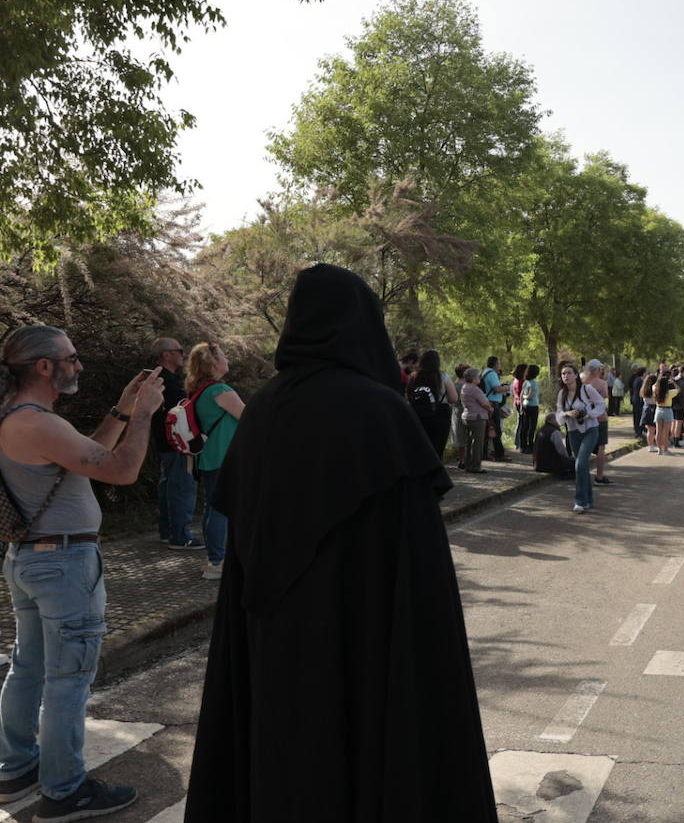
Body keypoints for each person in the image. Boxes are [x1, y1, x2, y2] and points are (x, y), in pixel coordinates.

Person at [183, 264, 497, 821]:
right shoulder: (379, 415)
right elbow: (417, 571)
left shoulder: (264, 412)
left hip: (273, 639)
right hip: (365, 643)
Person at [0, 324, 165, 818]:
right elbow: (120, 469)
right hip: (64, 564)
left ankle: (14, 768)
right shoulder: (38, 423)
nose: (79, 365)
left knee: (28, 668)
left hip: (29, 558)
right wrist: (145, 416)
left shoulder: (20, 418)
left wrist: (121, 407)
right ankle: (65, 790)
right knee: (68, 679)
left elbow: (83, 456)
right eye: (71, 358)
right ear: (44, 367)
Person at [185, 343, 245, 582]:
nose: (227, 359)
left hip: (209, 456)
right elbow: (249, 417)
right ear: (213, 363)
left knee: (213, 508)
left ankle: (215, 559)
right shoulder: (220, 389)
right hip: (226, 455)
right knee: (222, 509)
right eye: (223, 356)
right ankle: (218, 562)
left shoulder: (199, 390)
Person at [149, 336, 203, 550]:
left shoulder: (157, 379)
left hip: (166, 443)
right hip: (177, 443)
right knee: (182, 487)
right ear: (166, 355)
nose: (183, 354)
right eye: (179, 350)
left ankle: (167, 531)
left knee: (168, 486)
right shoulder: (165, 381)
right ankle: (180, 536)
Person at [555, 361, 605, 513]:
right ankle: (588, 500)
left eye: (569, 373)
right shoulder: (562, 394)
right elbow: (558, 416)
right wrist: (567, 413)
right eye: (563, 374)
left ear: (576, 375)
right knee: (582, 467)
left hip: (590, 429)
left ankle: (579, 501)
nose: (566, 376)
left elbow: (601, 404)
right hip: (573, 432)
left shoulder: (586, 389)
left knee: (580, 464)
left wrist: (590, 414)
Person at [407, 349, 457, 458]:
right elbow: (454, 398)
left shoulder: (413, 376)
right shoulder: (443, 376)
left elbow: (409, 395)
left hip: (418, 414)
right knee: (437, 448)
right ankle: (435, 472)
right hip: (440, 415)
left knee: (420, 448)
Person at [584, 359, 612, 484]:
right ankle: (599, 475)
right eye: (600, 369)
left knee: (584, 447)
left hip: (585, 417)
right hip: (600, 417)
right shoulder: (601, 383)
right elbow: (605, 396)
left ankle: (582, 474)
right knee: (601, 447)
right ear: (597, 370)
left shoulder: (582, 381)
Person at [460, 367, 492, 474]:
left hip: (467, 416)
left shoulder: (464, 387)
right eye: (478, 376)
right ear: (474, 379)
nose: (479, 378)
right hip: (477, 417)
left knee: (469, 442)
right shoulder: (474, 389)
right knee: (478, 442)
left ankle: (468, 464)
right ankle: (475, 466)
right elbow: (485, 403)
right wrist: (490, 408)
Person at [479, 357, 511, 462]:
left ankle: (485, 453)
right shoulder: (492, 373)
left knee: (488, 429)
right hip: (492, 404)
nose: (500, 365)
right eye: (499, 363)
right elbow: (496, 389)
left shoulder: (484, 372)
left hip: (487, 403)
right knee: (495, 429)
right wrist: (506, 388)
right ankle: (499, 454)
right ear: (495, 364)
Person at [533, 413, 575, 478]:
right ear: (551, 420)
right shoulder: (555, 432)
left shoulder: (540, 429)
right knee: (574, 461)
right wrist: (568, 458)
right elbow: (561, 451)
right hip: (550, 465)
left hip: (538, 465)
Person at [651, 368, 678, 456]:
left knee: (658, 431)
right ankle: (665, 449)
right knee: (666, 432)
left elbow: (654, 385)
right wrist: (673, 382)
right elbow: (678, 389)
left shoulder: (656, 390)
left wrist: (659, 378)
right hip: (667, 410)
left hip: (658, 410)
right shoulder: (669, 393)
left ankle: (659, 449)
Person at [519, 364, 541, 454]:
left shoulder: (525, 382)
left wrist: (521, 406)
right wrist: (526, 397)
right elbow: (530, 396)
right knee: (532, 427)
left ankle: (523, 446)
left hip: (525, 406)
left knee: (524, 426)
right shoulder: (534, 383)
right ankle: (530, 446)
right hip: (533, 406)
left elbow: (521, 395)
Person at [510, 364, 528, 456]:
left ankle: (517, 443)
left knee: (519, 423)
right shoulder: (522, 381)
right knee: (522, 424)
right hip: (521, 404)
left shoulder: (515, 381)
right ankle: (520, 443)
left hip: (517, 403)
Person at [629, 365, 647, 439]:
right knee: (639, 416)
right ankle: (638, 432)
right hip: (638, 401)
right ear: (643, 373)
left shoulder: (638, 379)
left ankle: (639, 430)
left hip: (636, 399)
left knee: (638, 416)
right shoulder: (640, 381)